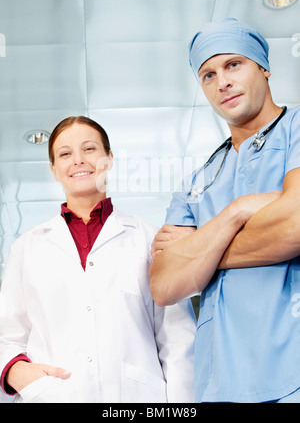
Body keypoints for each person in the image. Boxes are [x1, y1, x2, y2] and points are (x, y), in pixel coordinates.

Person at [149, 18, 300, 403]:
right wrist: (237, 212)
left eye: (234, 64)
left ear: (264, 68)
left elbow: (294, 225)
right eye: (208, 75)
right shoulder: (196, 184)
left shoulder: (297, 128)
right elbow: (165, 285)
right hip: (221, 382)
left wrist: (199, 250)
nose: (222, 82)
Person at [0, 116, 196, 404]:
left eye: (89, 149)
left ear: (109, 159)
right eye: (65, 154)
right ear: (54, 170)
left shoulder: (149, 240)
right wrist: (18, 373)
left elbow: (178, 341)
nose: (78, 160)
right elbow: (8, 336)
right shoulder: (26, 248)